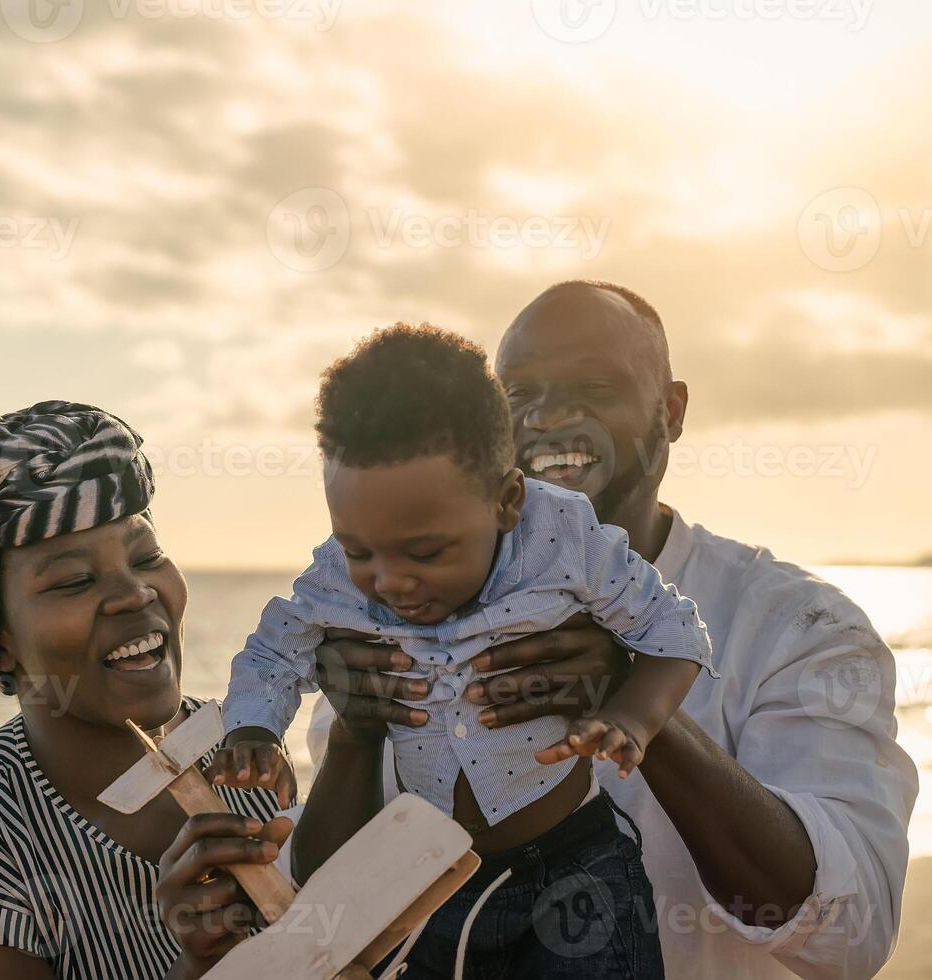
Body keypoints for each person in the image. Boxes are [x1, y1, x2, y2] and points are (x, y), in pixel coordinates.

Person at [306, 282, 919, 979]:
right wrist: (355, 742)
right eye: (517, 395)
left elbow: (850, 937)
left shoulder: (797, 627)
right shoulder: (404, 607)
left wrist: (634, 703)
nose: (549, 417)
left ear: (672, 411)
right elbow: (334, 925)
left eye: (594, 387)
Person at [210, 324, 714, 977]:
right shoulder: (339, 572)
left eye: (425, 552)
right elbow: (272, 652)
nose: (389, 582)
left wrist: (631, 718)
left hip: (575, 868)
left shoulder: (563, 538)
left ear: (505, 501)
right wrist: (254, 727)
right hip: (429, 873)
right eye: (360, 551)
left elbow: (675, 632)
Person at [0, 400, 369, 980]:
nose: (134, 593)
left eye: (146, 556)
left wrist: (361, 737)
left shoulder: (238, 751)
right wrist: (201, 967)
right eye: (74, 580)